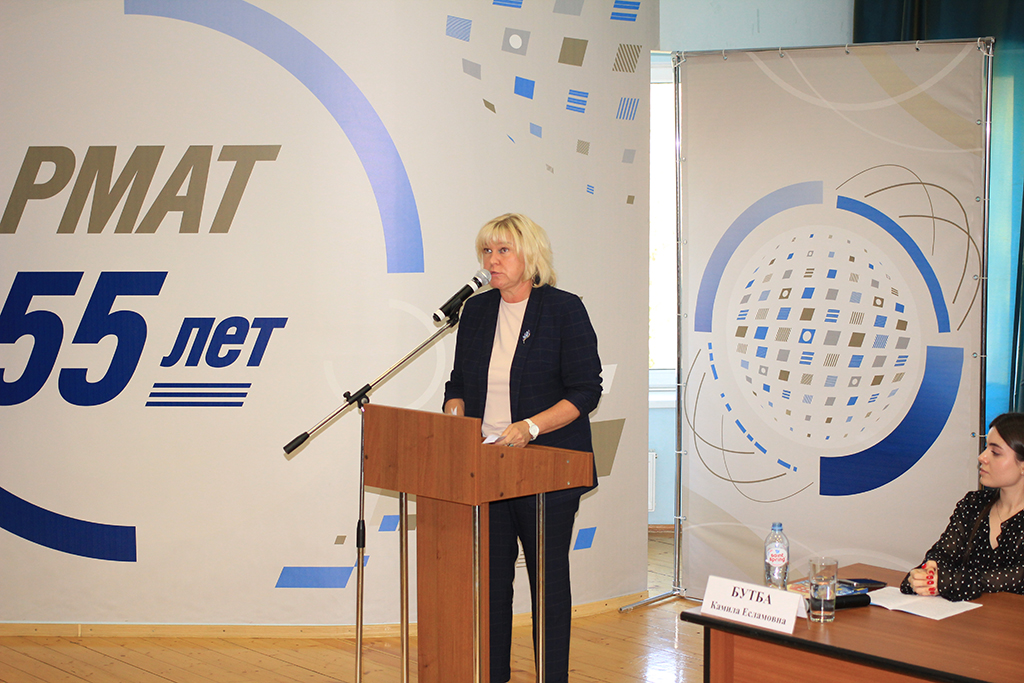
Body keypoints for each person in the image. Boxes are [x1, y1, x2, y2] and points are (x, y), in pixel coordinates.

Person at [443, 213, 602, 683]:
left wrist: (531, 426)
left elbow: (585, 390)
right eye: (486, 251)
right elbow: (458, 381)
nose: (491, 260)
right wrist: (455, 411)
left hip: (545, 468)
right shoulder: (476, 311)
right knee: (492, 585)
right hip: (487, 466)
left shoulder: (563, 309)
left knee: (547, 586)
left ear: (529, 256)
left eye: (502, 251)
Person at [901, 412, 1024, 601]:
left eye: (995, 452)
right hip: (965, 616)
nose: (982, 457)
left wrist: (950, 582)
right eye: (985, 448)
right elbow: (943, 554)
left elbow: (1016, 578)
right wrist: (927, 573)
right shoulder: (974, 504)